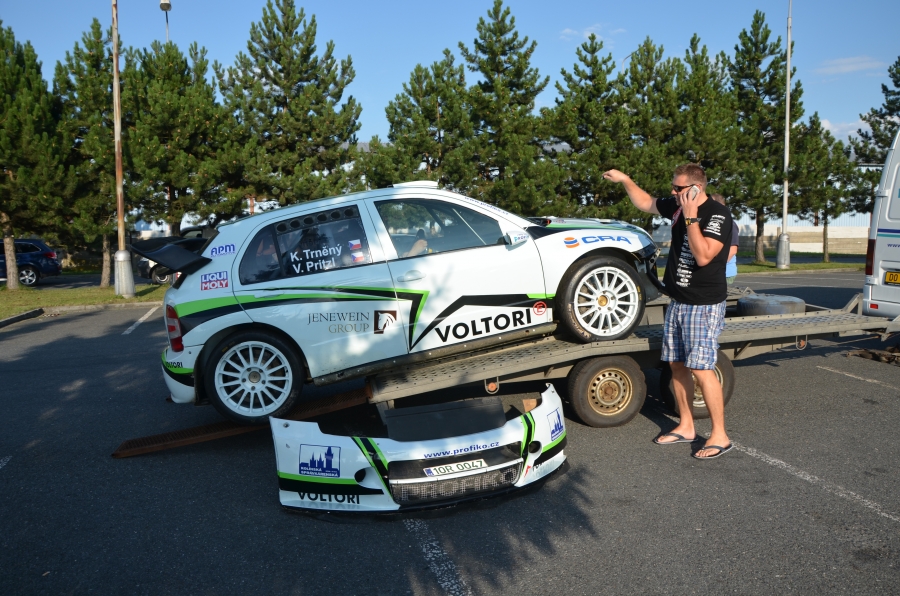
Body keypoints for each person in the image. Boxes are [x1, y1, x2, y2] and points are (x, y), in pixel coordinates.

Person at [603, 164, 734, 459]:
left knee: (702, 368)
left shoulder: (717, 215)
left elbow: (703, 256)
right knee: (676, 365)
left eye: (678, 188)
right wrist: (625, 179)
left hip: (703, 304)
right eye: (673, 187)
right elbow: (646, 202)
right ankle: (686, 426)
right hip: (678, 301)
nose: (673, 192)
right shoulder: (677, 205)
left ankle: (720, 435)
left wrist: (691, 217)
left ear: (696, 188)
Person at [711, 194, 739, 285]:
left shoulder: (730, 224)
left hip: (724, 273)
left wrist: (715, 267)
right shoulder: (712, 222)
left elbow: (733, 250)